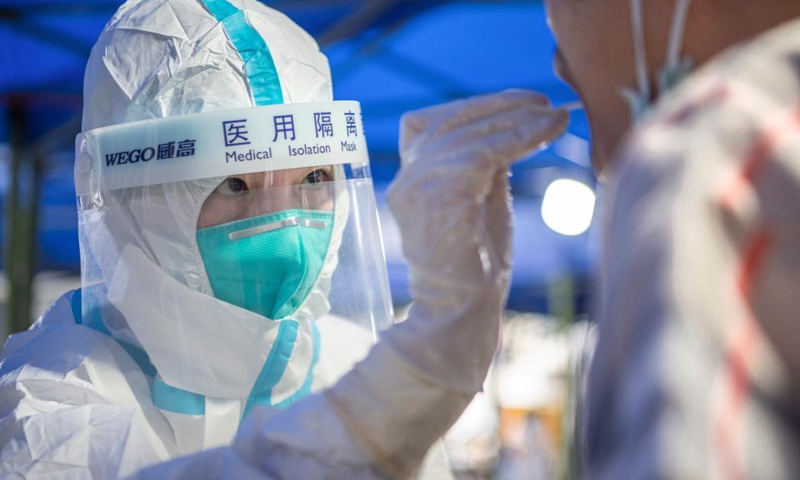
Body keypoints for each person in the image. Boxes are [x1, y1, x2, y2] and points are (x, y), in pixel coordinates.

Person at [0, 0, 464, 477]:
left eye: (313, 178)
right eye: (235, 183)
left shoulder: (358, 373)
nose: (285, 234)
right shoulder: (45, 405)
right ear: (132, 200)